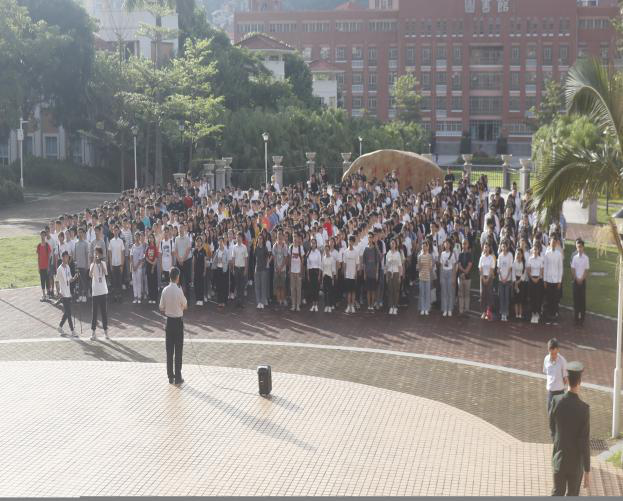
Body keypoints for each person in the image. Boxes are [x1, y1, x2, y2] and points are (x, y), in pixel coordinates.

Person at [549, 361, 591, 496]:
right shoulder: (584, 409)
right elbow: (584, 442)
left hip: (559, 459)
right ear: (580, 382)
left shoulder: (556, 401)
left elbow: (552, 428)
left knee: (557, 493)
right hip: (575, 464)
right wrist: (587, 469)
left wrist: (558, 446)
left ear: (566, 379)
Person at [159, 267, 188, 385]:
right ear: (177, 277)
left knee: (169, 351)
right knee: (178, 350)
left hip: (169, 322)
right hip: (178, 322)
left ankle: (170, 376)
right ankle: (178, 376)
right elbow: (185, 305)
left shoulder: (165, 290)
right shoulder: (179, 290)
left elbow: (161, 307)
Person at [56, 251, 78, 337]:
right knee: (69, 313)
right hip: (63, 294)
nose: (67, 258)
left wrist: (75, 277)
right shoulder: (59, 269)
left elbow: (70, 280)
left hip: (68, 293)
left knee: (67, 312)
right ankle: (72, 330)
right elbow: (56, 281)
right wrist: (58, 292)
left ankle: (60, 327)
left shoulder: (68, 267)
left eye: (68, 257)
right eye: (66, 257)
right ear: (62, 258)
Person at [89, 246, 109, 341]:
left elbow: (106, 273)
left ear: (100, 254)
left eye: (97, 253)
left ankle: (106, 332)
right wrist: (94, 262)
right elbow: (90, 274)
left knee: (104, 312)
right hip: (95, 292)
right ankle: (93, 333)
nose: (96, 255)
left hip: (103, 291)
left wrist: (100, 263)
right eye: (95, 253)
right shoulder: (92, 264)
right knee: (94, 313)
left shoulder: (103, 263)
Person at [544, 338, 568, 411]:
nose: (553, 356)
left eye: (555, 353)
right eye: (551, 353)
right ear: (548, 350)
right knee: (550, 412)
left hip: (559, 393)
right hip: (550, 392)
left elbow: (565, 378)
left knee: (559, 414)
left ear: (558, 350)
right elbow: (546, 373)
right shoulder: (546, 359)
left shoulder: (563, 361)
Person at [544, 236, 564, 325]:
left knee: (555, 300)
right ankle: (548, 318)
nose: (553, 244)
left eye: (554, 243)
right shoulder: (547, 254)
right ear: (550, 243)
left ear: (556, 244)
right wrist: (544, 280)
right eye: (551, 242)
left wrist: (559, 281)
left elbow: (560, 268)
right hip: (548, 280)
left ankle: (554, 318)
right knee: (549, 299)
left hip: (556, 280)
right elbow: (545, 267)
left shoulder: (559, 254)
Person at [571, 239, 590, 326]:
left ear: (583, 247)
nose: (579, 248)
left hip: (583, 281)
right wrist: (576, 278)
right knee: (576, 300)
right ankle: (575, 318)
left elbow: (586, 270)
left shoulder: (586, 258)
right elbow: (573, 269)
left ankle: (582, 318)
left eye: (580, 247)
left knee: (582, 300)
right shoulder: (574, 257)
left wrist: (582, 279)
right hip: (575, 281)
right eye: (578, 247)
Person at [362, 232, 381, 312]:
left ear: (373, 238)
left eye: (371, 237)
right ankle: (369, 305)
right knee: (368, 290)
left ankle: (372, 305)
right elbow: (364, 262)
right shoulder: (366, 249)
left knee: (373, 290)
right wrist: (364, 273)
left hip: (373, 273)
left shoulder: (375, 249)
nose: (369, 238)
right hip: (367, 272)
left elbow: (378, 262)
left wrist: (377, 273)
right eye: (368, 237)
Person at [527, 243, 545, 324]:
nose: (535, 251)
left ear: (538, 250)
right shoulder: (530, 259)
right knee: (532, 297)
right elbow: (528, 270)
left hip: (538, 280)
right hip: (532, 280)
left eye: (536, 249)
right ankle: (533, 313)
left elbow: (542, 271)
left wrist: (538, 278)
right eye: (534, 249)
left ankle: (537, 313)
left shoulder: (541, 259)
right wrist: (532, 278)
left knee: (538, 297)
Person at [385, 238, 403, 316]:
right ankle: (390, 306)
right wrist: (386, 275)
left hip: (396, 273)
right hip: (389, 273)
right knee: (390, 290)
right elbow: (386, 265)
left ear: (396, 245)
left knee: (396, 290)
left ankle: (395, 306)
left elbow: (400, 265)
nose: (392, 245)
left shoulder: (398, 254)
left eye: (394, 243)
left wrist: (400, 276)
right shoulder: (388, 253)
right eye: (391, 243)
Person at [439, 239, 457, 317]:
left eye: (448, 243)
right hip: (444, 273)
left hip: (450, 273)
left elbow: (454, 266)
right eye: (445, 243)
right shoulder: (442, 254)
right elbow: (441, 265)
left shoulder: (452, 254)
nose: (446, 245)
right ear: (444, 245)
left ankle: (449, 309)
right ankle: (445, 309)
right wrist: (441, 277)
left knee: (450, 292)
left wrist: (453, 277)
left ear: (450, 245)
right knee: (444, 292)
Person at [497, 240, 514, 322]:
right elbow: (498, 268)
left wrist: (506, 278)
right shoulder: (500, 256)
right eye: (502, 246)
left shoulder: (510, 255)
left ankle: (506, 313)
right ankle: (502, 313)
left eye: (505, 246)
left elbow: (510, 268)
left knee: (507, 297)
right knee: (501, 297)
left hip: (508, 280)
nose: (503, 248)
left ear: (507, 247)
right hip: (501, 280)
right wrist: (501, 277)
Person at [478, 242, 495, 320]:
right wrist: (483, 277)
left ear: (489, 248)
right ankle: (483, 312)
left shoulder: (491, 258)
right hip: (482, 277)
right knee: (482, 294)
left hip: (489, 277)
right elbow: (480, 268)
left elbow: (492, 269)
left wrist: (487, 278)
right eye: (485, 247)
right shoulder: (482, 257)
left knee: (489, 294)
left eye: (487, 247)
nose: (486, 249)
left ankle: (488, 312)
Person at [108, 225, 125, 303]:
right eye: (114, 230)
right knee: (114, 281)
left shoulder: (121, 241)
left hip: (119, 264)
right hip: (113, 264)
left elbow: (123, 253)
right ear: (113, 231)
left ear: (118, 231)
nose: (115, 232)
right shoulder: (111, 241)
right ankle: (115, 295)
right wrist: (111, 264)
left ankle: (120, 295)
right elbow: (110, 253)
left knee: (119, 281)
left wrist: (122, 265)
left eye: (117, 230)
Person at [342, 235, 359, 314]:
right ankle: (348, 306)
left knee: (353, 292)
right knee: (348, 292)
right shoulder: (345, 252)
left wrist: (356, 273)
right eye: (349, 241)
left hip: (353, 275)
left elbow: (357, 264)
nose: (350, 242)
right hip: (347, 275)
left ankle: (352, 306)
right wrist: (345, 273)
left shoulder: (356, 252)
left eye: (351, 241)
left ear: (353, 242)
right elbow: (344, 264)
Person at [231, 232, 249, 308]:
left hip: (242, 268)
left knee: (242, 286)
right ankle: (237, 302)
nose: (238, 238)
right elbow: (233, 258)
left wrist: (246, 269)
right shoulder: (234, 247)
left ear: (242, 238)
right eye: (237, 237)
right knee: (237, 285)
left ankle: (241, 302)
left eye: (240, 237)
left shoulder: (244, 247)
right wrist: (233, 269)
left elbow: (246, 259)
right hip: (236, 268)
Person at [457, 239, 473, 316]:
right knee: (460, 294)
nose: (464, 245)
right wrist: (463, 273)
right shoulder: (460, 254)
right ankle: (461, 310)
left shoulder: (470, 255)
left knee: (467, 294)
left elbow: (470, 265)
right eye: (463, 244)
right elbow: (459, 265)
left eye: (465, 244)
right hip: (460, 277)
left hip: (467, 277)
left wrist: (465, 272)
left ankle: (466, 310)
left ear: (468, 245)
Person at [289, 234, 305, 312]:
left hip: (298, 271)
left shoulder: (300, 248)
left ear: (298, 239)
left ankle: (298, 305)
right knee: (292, 289)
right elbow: (289, 259)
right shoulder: (290, 247)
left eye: (296, 237)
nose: (295, 238)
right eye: (294, 237)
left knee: (298, 289)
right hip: (292, 271)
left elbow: (302, 260)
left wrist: (301, 271)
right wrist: (289, 269)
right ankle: (293, 305)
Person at [254, 234, 270, 309]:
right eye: (259, 238)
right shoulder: (256, 248)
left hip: (263, 269)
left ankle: (263, 301)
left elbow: (267, 257)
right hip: (257, 269)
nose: (260, 240)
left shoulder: (265, 248)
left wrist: (266, 265)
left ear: (263, 240)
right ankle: (258, 302)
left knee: (263, 286)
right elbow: (254, 258)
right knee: (257, 286)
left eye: (261, 238)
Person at [306, 238, 322, 312]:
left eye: (314, 243)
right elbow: (308, 265)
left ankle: (316, 305)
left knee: (316, 289)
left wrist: (319, 275)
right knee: (312, 289)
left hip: (316, 272)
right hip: (310, 272)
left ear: (316, 244)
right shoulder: (308, 252)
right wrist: (308, 275)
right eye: (312, 243)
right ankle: (313, 305)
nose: (313, 244)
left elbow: (320, 264)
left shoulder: (318, 252)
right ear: (310, 244)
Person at [36, 230, 53, 301]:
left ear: (45, 236)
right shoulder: (39, 246)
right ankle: (43, 295)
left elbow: (49, 256)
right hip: (41, 267)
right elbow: (38, 257)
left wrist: (48, 266)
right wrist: (38, 267)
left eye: (44, 235)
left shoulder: (47, 245)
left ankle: (48, 294)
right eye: (41, 235)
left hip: (46, 267)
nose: (42, 236)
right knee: (42, 280)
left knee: (47, 280)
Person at [417, 240, 433, 316]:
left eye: (425, 246)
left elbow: (430, 267)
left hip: (427, 277)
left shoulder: (430, 256)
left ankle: (427, 308)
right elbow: (418, 267)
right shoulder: (419, 256)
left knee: (427, 293)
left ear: (428, 247)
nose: (424, 248)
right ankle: (422, 308)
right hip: (421, 277)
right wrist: (420, 267)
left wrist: (427, 267)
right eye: (423, 246)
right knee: (422, 293)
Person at [513, 247, 528, 321]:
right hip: (515, 281)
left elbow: (524, 274)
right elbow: (513, 273)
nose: (518, 255)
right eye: (517, 253)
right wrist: (515, 282)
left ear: (522, 255)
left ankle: (520, 315)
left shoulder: (524, 263)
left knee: (520, 300)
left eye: (519, 254)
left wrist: (519, 281)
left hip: (521, 282)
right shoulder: (514, 263)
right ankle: (516, 315)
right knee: (516, 300)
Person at [321, 243, 336, 312]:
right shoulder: (323, 258)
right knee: (325, 292)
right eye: (325, 250)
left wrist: (333, 279)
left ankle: (330, 306)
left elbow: (333, 270)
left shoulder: (332, 259)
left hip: (330, 277)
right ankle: (326, 306)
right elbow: (322, 269)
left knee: (330, 292)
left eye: (327, 250)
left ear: (329, 250)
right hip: (324, 277)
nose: (326, 251)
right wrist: (322, 279)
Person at [130, 231, 145, 304]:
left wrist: (136, 266)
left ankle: (139, 297)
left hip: (139, 267)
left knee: (139, 282)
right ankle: (135, 297)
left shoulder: (141, 246)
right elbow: (131, 256)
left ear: (139, 237)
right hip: (133, 267)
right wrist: (133, 265)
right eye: (135, 236)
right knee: (134, 282)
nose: (136, 238)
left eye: (138, 237)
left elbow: (141, 258)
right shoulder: (133, 246)